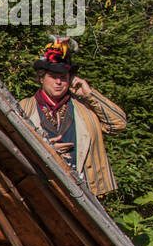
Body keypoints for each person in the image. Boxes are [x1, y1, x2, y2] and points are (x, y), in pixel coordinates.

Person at [18, 39, 127, 196]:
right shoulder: (24, 108)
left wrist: (90, 95)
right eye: (53, 76)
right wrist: (45, 150)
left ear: (70, 79)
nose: (58, 82)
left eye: (63, 77)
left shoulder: (85, 108)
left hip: (85, 192)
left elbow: (118, 124)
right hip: (41, 191)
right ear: (42, 78)